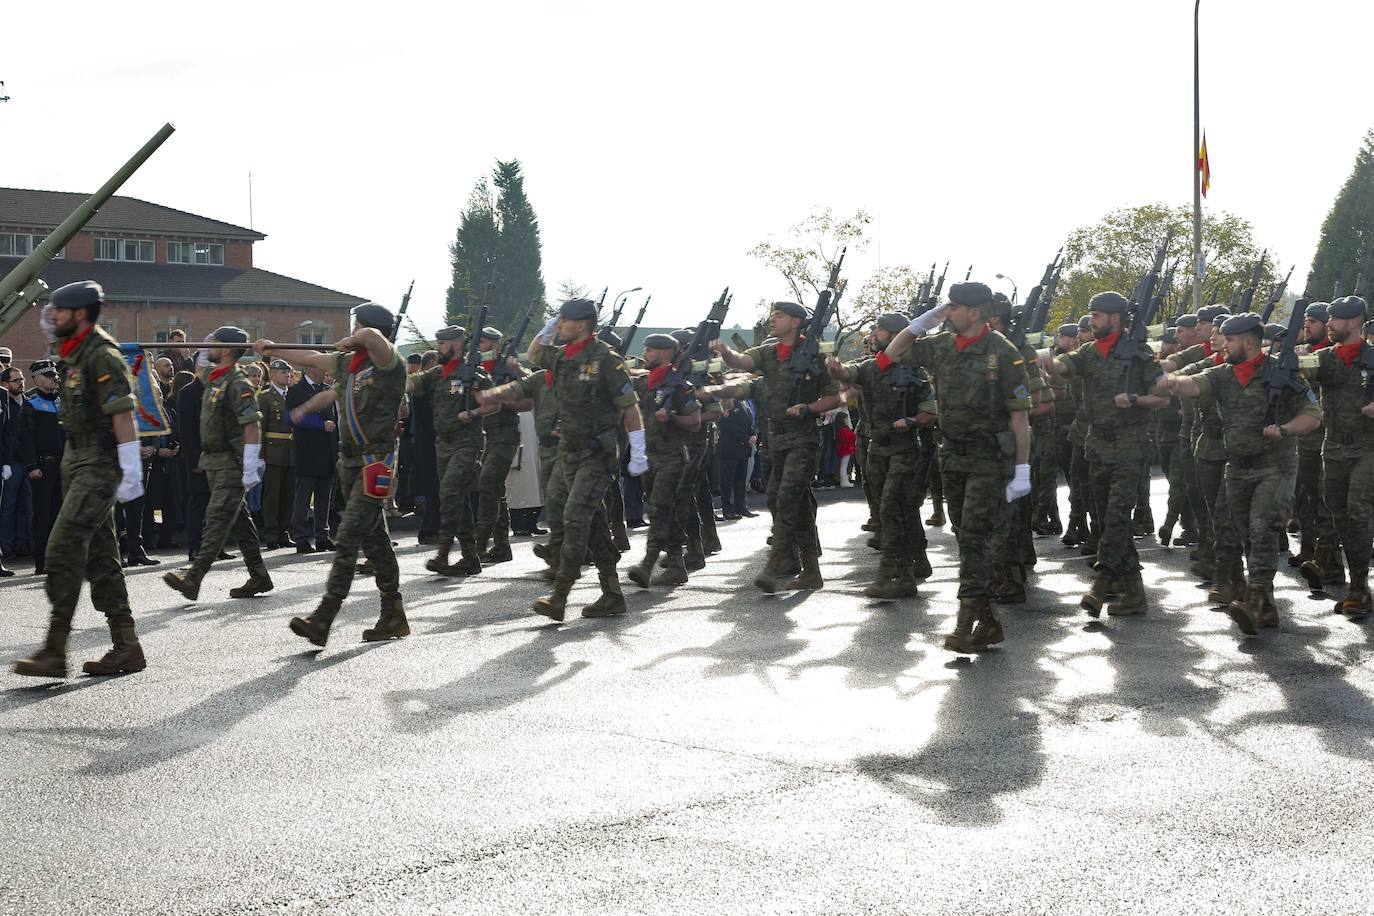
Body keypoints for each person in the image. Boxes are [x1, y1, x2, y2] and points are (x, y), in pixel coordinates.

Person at [881, 283, 1032, 651]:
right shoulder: (942, 346)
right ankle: (990, 621)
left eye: (953, 308)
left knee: (975, 539)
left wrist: (1022, 470)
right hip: (952, 456)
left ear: (974, 312)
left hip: (988, 459)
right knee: (966, 537)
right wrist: (921, 322)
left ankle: (965, 623)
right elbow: (890, 355)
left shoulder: (1002, 352)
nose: (948, 313)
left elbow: (1019, 417)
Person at [481, 297, 647, 621]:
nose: (558, 327)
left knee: (573, 519)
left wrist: (638, 450)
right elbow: (534, 353)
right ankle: (612, 595)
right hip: (568, 453)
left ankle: (559, 596)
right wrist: (550, 325)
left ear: (581, 324)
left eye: (563, 322)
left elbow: (630, 406)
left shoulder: (607, 360)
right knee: (593, 525)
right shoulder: (562, 358)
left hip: (596, 456)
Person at [13, 281, 148, 678]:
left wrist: (130, 470)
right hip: (76, 458)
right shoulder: (74, 354)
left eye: (60, 310)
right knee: (101, 555)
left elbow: (123, 415)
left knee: (63, 547)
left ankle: (55, 647)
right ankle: (127, 645)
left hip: (98, 462)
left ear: (81, 314)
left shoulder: (101, 354)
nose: (52, 316)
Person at [257, 302, 409, 646]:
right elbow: (311, 358)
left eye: (356, 326)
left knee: (348, 536)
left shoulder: (389, 363)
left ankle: (324, 616)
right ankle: (393, 614)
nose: (351, 332)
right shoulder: (352, 365)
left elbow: (373, 336)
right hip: (352, 463)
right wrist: (272, 349)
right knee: (376, 541)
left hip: (375, 464)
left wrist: (358, 336)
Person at [1160, 312, 1322, 635]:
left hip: (1275, 466)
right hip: (1237, 468)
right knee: (1247, 535)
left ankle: (1256, 599)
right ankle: (1267, 606)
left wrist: (1285, 429)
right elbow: (1195, 384)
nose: (1222, 344)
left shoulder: (1281, 373)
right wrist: (1170, 382)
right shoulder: (1223, 374)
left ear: (1247, 342)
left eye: (1229, 339)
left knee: (1262, 528)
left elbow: (1313, 414)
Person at [1042, 291, 1172, 617]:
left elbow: (1163, 398)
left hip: (1130, 446)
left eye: (1097, 315)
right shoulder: (1087, 352)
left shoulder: (1141, 354)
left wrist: (1136, 400)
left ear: (1115, 318)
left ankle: (1100, 584)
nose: (1091, 320)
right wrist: (1048, 363)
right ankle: (1134, 595)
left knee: (1116, 519)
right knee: (1107, 523)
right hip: (1096, 446)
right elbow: (1062, 367)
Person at [827, 311, 938, 599]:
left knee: (890, 509)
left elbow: (931, 413)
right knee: (899, 509)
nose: (874, 333)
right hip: (876, 448)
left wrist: (911, 421)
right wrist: (834, 367)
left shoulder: (915, 374)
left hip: (904, 449)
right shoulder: (870, 367)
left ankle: (894, 575)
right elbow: (847, 373)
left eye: (880, 329)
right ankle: (919, 560)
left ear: (895, 335)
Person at [162, 328, 274, 601]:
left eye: (210, 343)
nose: (204, 347)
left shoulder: (238, 382)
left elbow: (251, 425)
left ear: (225, 349)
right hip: (214, 461)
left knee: (215, 519)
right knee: (239, 522)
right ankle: (259, 576)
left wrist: (249, 467)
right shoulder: (215, 380)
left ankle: (194, 578)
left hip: (230, 464)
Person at [407, 325, 499, 576]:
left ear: (457, 345)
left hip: (467, 443)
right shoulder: (436, 374)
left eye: (443, 344)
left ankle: (443, 552)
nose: (438, 349)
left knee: (449, 493)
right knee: (457, 498)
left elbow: (493, 404)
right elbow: (411, 384)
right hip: (443, 444)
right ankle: (470, 557)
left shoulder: (475, 375)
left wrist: (472, 413)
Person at [1304, 296, 1374, 615]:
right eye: (1328, 318)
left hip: (1367, 448)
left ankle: (1360, 589)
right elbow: (1297, 368)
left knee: (1357, 512)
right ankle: (1348, 576)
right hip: (1332, 448)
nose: (1329, 324)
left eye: (1336, 319)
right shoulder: (1324, 358)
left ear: (1355, 321)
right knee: (1340, 514)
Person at [625, 333, 702, 589]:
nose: (645, 354)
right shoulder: (644, 382)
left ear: (665, 354)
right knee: (663, 510)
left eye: (650, 350)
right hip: (649, 456)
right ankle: (677, 564)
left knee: (659, 509)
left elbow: (695, 422)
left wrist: (672, 417)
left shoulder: (681, 386)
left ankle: (648, 563)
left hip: (672, 457)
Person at [473, 327, 530, 563]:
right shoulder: (479, 370)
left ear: (495, 346)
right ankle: (502, 545)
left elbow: (531, 388)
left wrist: (516, 370)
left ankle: (481, 542)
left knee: (487, 483)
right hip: (487, 436)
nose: (479, 347)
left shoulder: (509, 368)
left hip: (505, 435)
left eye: (484, 343)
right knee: (495, 488)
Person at [18, 359, 64, 576]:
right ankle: (42, 560)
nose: (54, 378)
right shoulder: (32, 403)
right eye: (48, 375)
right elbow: (25, 438)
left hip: (64, 465)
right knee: (43, 515)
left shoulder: (61, 401)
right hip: (43, 467)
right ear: (36, 379)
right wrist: (31, 466)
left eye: (55, 374)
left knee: (60, 514)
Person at [287, 364, 338, 553]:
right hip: (307, 452)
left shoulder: (327, 390)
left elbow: (335, 421)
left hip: (327, 452)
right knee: (303, 497)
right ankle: (300, 537)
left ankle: (322, 536)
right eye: (319, 367)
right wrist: (320, 424)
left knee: (324, 497)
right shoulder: (296, 391)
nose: (324, 370)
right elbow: (291, 418)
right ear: (309, 369)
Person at [257, 358, 297, 549]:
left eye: (288, 372)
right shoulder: (265, 397)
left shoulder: (294, 395)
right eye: (282, 372)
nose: (287, 375)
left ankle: (284, 532)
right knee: (272, 496)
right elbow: (260, 428)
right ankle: (271, 535)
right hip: (273, 451)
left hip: (292, 451)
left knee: (289, 495)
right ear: (272, 375)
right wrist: (261, 455)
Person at [716, 397, 757, 519]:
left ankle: (741, 506)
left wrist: (753, 434)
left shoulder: (742, 402)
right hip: (729, 448)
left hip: (743, 448)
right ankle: (727, 509)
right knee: (727, 481)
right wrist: (746, 438)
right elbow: (726, 425)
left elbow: (750, 421)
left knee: (740, 480)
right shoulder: (726, 403)